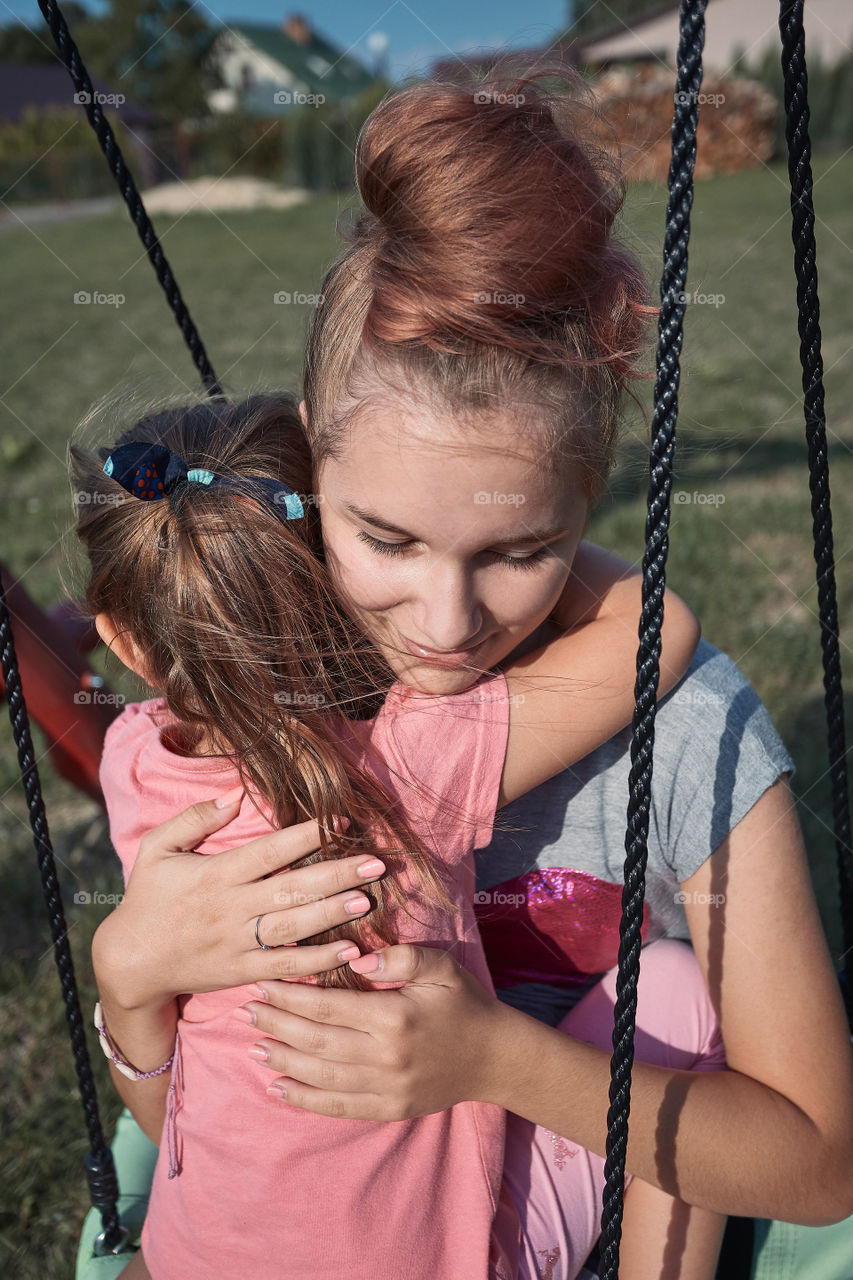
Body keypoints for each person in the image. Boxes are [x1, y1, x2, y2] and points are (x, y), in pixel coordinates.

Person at [85, 62, 853, 1277]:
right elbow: (212, 1142)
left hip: (520, 1209)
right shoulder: (264, 696)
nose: (445, 622)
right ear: (308, 480)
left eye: (521, 548)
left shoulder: (690, 730)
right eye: (385, 537)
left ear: (589, 504)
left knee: (669, 985)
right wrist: (130, 980)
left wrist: (496, 1058)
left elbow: (817, 1160)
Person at [75, 389, 708, 1280]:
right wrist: (511, 539)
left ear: (124, 644)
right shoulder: (406, 764)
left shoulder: (137, 761)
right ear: (348, 581)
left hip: (194, 1257)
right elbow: (655, 628)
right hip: (441, 1259)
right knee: (678, 992)